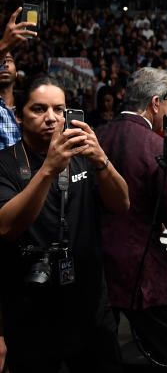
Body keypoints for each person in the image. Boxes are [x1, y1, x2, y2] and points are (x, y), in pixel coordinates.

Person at [0, 75, 130, 372]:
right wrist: (48, 169)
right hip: (30, 310)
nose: (51, 118)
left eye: (59, 110)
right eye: (39, 109)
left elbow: (121, 203)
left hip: (89, 303)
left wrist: (101, 159)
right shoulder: (5, 163)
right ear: (18, 115)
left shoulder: (83, 155)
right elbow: (6, 227)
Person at [97, 67, 167, 366]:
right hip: (145, 276)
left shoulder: (95, 138)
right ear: (154, 103)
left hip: (96, 270)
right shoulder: (158, 148)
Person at [0, 6, 39, 150]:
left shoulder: (28, 106)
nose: (4, 65)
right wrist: (3, 45)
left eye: (8, 61)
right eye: (1, 61)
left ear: (16, 72)